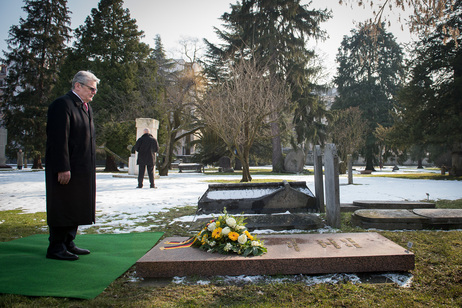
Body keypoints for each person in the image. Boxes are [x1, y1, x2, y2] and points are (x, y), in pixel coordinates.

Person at [45, 71, 100, 261]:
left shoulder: (85, 107)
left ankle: (69, 241)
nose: (94, 92)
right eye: (91, 88)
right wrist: (63, 167)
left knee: (75, 205)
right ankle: (56, 247)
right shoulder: (63, 105)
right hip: (66, 168)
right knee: (62, 205)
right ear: (78, 86)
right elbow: (58, 139)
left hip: (81, 168)